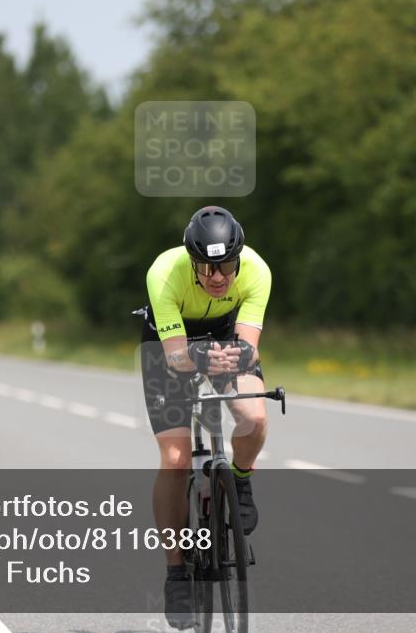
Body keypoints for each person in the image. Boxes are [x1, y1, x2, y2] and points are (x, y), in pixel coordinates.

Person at [138, 206, 271, 629]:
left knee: (254, 417)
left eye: (226, 267)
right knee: (176, 460)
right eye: (207, 268)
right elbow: (175, 355)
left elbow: (249, 346)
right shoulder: (163, 273)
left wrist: (239, 357)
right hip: (171, 347)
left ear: (239, 258)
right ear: (192, 261)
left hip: (227, 337)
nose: (217, 277)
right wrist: (196, 356)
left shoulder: (257, 272)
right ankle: (176, 571)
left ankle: (242, 481)